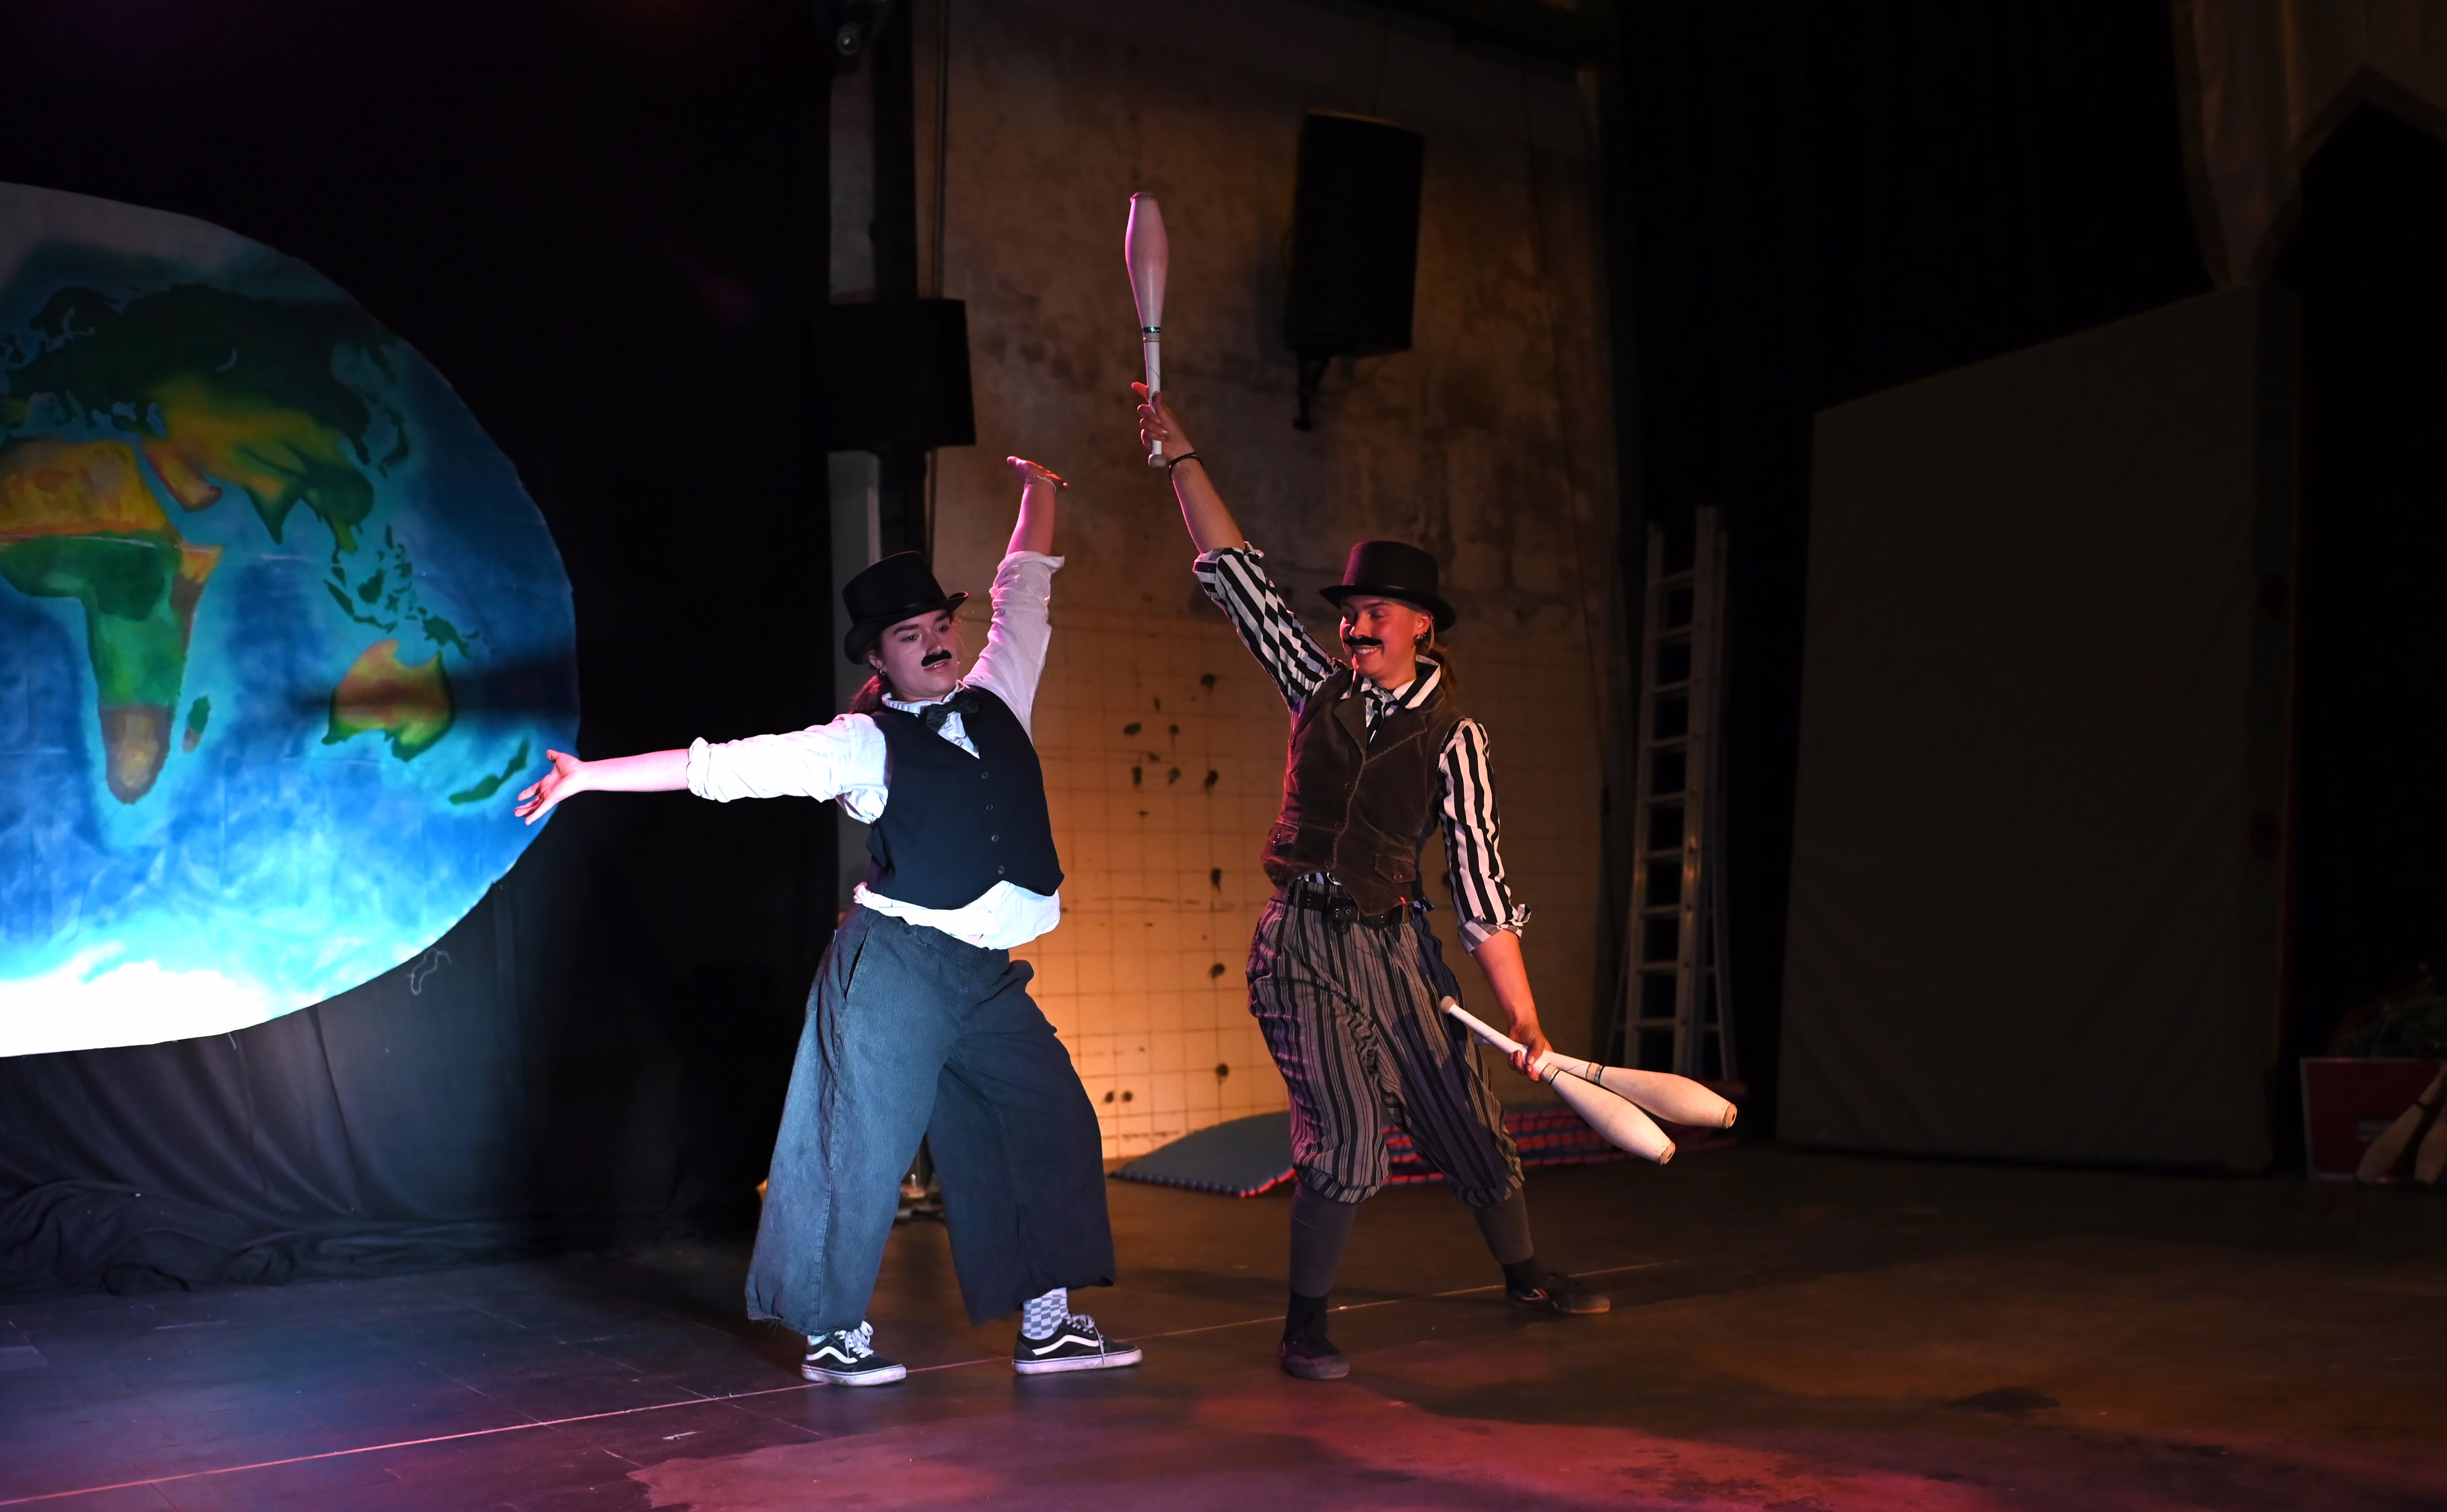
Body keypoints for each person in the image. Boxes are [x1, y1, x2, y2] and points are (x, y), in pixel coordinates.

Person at [514, 456, 1138, 1386]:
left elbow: (1024, 593)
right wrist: (589, 777)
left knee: (1047, 1119)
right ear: (877, 660)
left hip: (983, 973)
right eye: (910, 637)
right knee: (858, 1147)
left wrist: (1039, 491)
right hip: (893, 969)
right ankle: (831, 1331)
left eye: (940, 628)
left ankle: (1047, 1326)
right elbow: (724, 766)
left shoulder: (999, 692)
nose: (935, 645)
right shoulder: (859, 744)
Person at [1133, 385, 1610, 1382]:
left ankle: (1524, 1275)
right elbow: (1237, 577)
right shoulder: (1315, 689)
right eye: (1348, 614)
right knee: (1347, 1140)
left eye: (1373, 614)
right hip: (1300, 948)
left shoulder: (1456, 740)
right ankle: (1304, 1323)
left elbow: (1481, 890)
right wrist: (1181, 456)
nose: (1353, 628)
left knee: (1468, 1123)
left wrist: (1523, 1017)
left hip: (1395, 948)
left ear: (1420, 626)